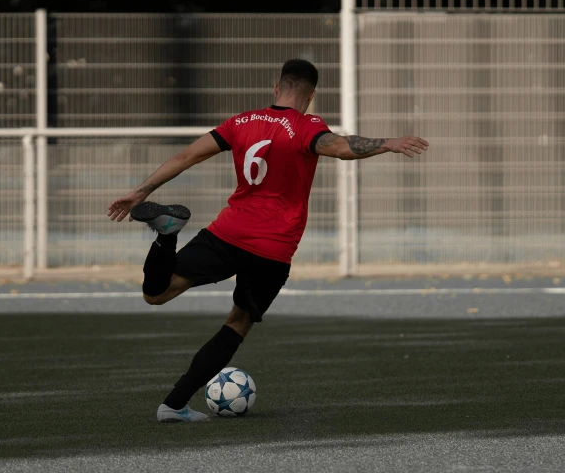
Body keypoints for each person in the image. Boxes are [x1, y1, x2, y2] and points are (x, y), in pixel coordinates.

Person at [107, 59, 429, 422]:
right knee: (238, 322)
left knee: (156, 292)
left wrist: (140, 191)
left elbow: (186, 156)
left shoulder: (240, 122)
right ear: (312, 95)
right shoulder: (307, 126)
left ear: (276, 88)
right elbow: (339, 147)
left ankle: (167, 236)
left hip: (228, 232)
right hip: (272, 250)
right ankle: (174, 404)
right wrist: (388, 142)